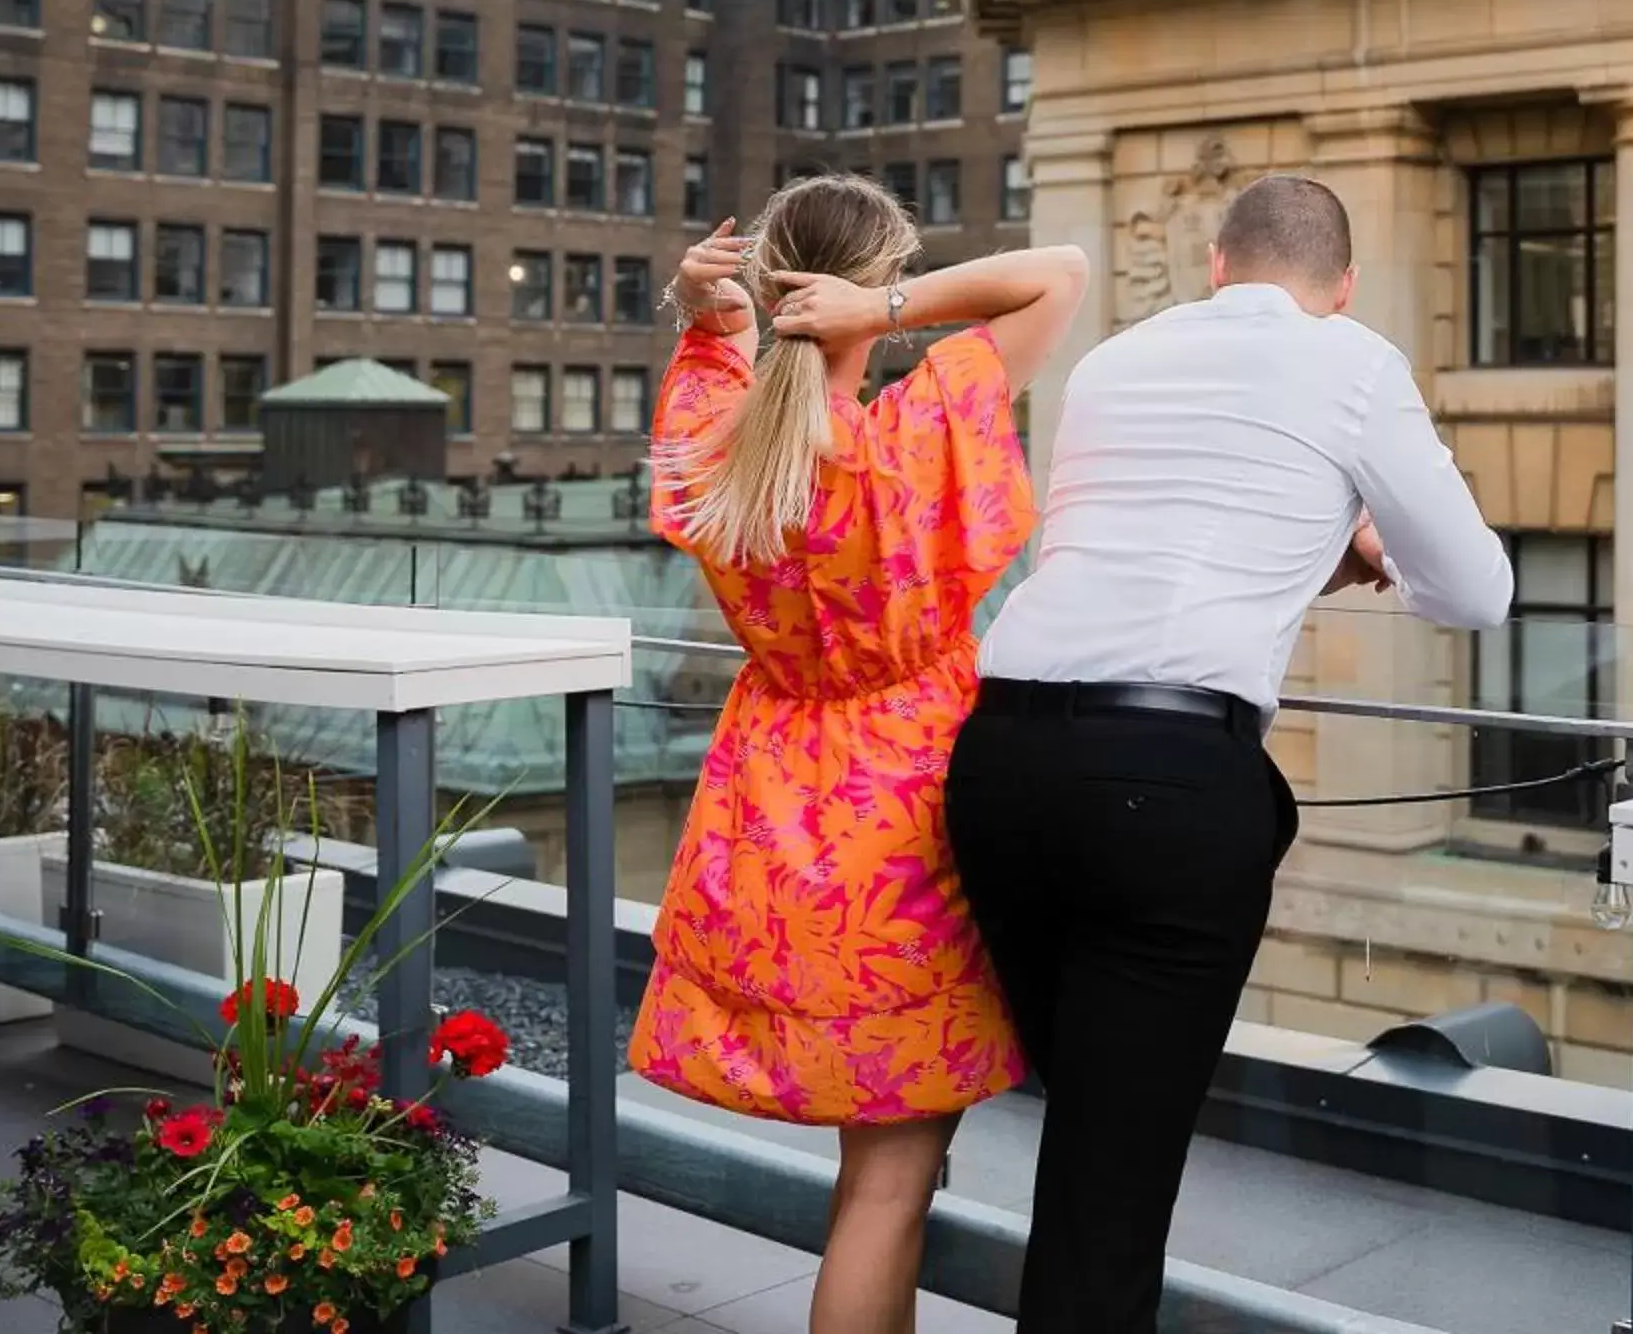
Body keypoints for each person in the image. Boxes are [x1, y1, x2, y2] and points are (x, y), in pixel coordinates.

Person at [944, 172, 1513, 1334]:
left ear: (1215, 262)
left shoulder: (1112, 361)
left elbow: (1139, 542)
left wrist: (1310, 542)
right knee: (1112, 1182)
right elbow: (1475, 591)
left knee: (1094, 1134)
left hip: (997, 763)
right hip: (1164, 788)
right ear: (1340, 286)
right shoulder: (1353, 360)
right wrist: (1357, 543)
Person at [628, 172, 1089, 1334]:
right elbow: (1062, 273)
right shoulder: (911, 435)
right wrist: (884, 314)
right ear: (868, 291)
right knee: (888, 1184)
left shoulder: (723, 442)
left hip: (772, 803)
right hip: (910, 818)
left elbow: (715, 364)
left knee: (872, 1177)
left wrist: (706, 311)